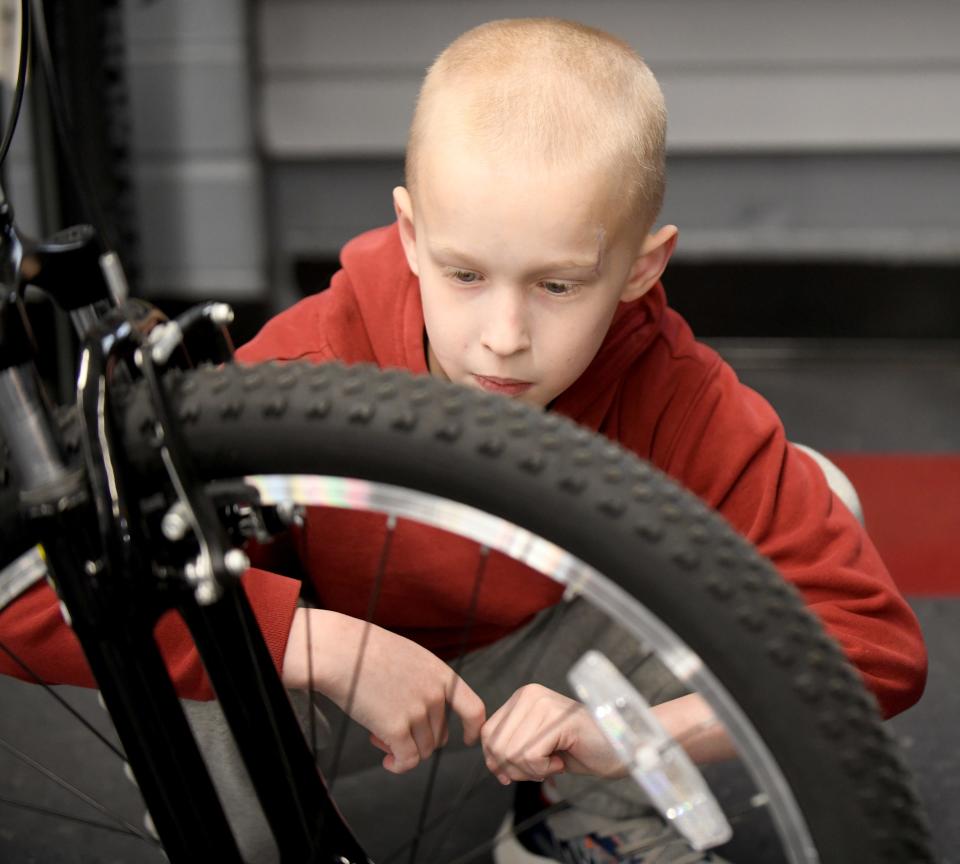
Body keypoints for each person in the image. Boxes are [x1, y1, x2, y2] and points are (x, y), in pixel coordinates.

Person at [0, 17, 926, 862]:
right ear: (411, 236)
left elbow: (875, 648)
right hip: (325, 697)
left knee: (817, 494)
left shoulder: (675, 392)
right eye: (466, 273)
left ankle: (584, 823)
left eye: (559, 285)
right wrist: (307, 640)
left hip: (546, 679)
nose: (504, 335)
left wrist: (638, 729)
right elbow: (33, 592)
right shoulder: (311, 362)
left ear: (641, 267)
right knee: (186, 643)